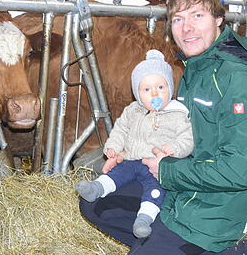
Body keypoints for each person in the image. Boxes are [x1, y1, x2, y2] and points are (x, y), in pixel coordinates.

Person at [79, 0, 247, 255]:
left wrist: (167, 170)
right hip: (181, 196)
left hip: (209, 216)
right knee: (95, 202)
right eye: (178, 19)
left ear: (218, 20)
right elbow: (177, 134)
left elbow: (240, 172)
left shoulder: (239, 81)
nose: (187, 28)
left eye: (197, 16)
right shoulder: (195, 70)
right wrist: (131, 154)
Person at [75, 49, 193, 239]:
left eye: (161, 88)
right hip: (131, 159)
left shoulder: (178, 114)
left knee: (155, 191)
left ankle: (144, 220)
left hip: (156, 166)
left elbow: (188, 138)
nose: (155, 93)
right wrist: (113, 148)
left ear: (170, 89)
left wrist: (176, 149)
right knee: (116, 175)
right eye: (147, 90)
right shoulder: (133, 111)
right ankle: (96, 188)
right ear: (137, 94)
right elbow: (120, 130)